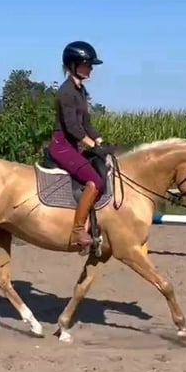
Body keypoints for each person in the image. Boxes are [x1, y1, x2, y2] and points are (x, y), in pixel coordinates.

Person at [47, 40, 105, 249]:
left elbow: (86, 122)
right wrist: (88, 142)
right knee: (94, 181)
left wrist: (98, 140)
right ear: (73, 65)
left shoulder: (80, 91)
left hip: (73, 145)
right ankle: (78, 231)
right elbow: (72, 126)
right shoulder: (66, 92)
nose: (90, 69)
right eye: (87, 64)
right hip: (62, 145)